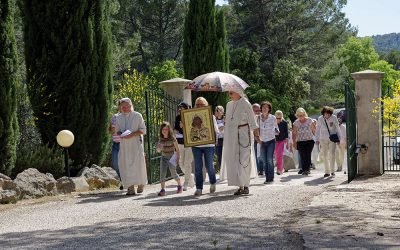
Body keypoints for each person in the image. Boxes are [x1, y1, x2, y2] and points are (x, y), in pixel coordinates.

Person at [220, 90, 259, 195]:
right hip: (231, 136)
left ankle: (246, 185)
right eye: (229, 93)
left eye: (231, 93)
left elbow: (253, 121)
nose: (230, 95)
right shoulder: (229, 105)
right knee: (234, 160)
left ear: (238, 92)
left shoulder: (245, 103)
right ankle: (240, 185)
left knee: (244, 159)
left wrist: (257, 136)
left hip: (244, 134)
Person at [116, 98, 147, 195]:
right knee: (125, 165)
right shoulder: (118, 117)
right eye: (122, 107)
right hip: (124, 144)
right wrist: (122, 133)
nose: (124, 108)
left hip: (135, 144)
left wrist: (132, 134)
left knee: (138, 164)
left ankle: (141, 184)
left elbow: (143, 130)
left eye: (126, 106)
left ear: (130, 106)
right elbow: (117, 130)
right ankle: (130, 187)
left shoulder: (137, 116)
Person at [191, 97, 218, 196]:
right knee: (198, 167)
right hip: (196, 145)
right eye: (197, 105)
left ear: (206, 105)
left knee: (209, 165)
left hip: (209, 145)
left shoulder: (211, 116)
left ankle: (213, 182)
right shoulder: (190, 116)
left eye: (202, 104)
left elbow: (216, 131)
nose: (199, 106)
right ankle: (199, 188)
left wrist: (214, 140)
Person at [156, 122, 182, 196]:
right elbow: (158, 151)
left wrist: (178, 158)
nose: (164, 130)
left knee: (173, 173)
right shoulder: (161, 139)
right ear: (161, 130)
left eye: (166, 129)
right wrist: (158, 148)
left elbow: (177, 149)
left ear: (169, 130)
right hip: (164, 158)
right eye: (163, 129)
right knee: (162, 173)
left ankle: (179, 185)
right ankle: (162, 190)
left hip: (172, 157)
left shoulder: (172, 138)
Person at [315, 106, 342, 177]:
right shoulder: (320, 119)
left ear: (330, 114)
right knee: (325, 155)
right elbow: (317, 129)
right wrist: (317, 139)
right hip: (323, 139)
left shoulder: (334, 117)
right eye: (325, 114)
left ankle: (332, 171)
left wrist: (339, 138)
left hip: (332, 138)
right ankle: (327, 171)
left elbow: (337, 128)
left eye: (328, 114)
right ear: (323, 113)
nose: (327, 115)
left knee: (332, 154)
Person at [174, 102, 194, 191]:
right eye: (179, 108)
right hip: (180, 143)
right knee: (181, 164)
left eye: (181, 108)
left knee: (187, 163)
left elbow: (194, 129)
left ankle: (186, 183)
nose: (180, 110)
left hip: (189, 143)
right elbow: (176, 129)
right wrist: (177, 130)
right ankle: (190, 177)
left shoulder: (191, 116)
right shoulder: (178, 117)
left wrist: (185, 127)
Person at [257, 101, 279, 183]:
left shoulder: (273, 117)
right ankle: (267, 178)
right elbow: (256, 129)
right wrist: (258, 139)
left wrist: (276, 131)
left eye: (266, 107)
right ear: (261, 109)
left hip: (271, 141)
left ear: (269, 109)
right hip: (262, 141)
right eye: (263, 107)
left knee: (269, 159)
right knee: (264, 160)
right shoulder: (258, 118)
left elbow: (277, 129)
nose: (265, 109)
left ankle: (271, 178)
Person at [292, 108, 316, 176]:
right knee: (302, 155)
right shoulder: (296, 123)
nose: (301, 117)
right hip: (300, 141)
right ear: (297, 115)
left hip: (309, 140)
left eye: (302, 115)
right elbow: (294, 133)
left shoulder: (309, 120)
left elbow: (314, 130)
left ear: (304, 114)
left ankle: (306, 170)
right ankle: (303, 168)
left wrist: (317, 139)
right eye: (299, 115)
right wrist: (294, 142)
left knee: (308, 155)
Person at [110, 100, 122, 180]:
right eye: (120, 105)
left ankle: (125, 181)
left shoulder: (128, 116)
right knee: (115, 164)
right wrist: (113, 128)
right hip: (116, 144)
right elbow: (112, 130)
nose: (121, 107)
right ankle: (122, 178)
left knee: (126, 164)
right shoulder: (115, 116)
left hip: (125, 144)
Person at [274, 110, 288, 175]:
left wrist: (286, 139)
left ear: (281, 117)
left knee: (279, 155)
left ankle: (279, 169)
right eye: (277, 118)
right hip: (274, 140)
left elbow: (286, 132)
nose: (278, 119)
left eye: (279, 118)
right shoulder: (273, 122)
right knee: (276, 155)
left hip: (282, 140)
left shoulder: (284, 122)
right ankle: (279, 166)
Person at [252, 103, 263, 176]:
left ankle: (261, 170)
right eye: (255, 110)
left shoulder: (263, 117)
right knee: (254, 154)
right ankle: (256, 170)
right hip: (253, 138)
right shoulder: (250, 117)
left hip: (261, 137)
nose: (257, 112)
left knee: (261, 154)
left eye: (258, 110)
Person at [214, 105, 225, 171]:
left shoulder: (225, 119)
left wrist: (223, 127)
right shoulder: (213, 120)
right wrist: (218, 129)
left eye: (219, 110)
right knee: (219, 156)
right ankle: (221, 171)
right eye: (216, 110)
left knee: (225, 155)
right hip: (217, 140)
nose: (218, 112)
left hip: (224, 139)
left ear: (223, 112)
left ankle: (226, 171)